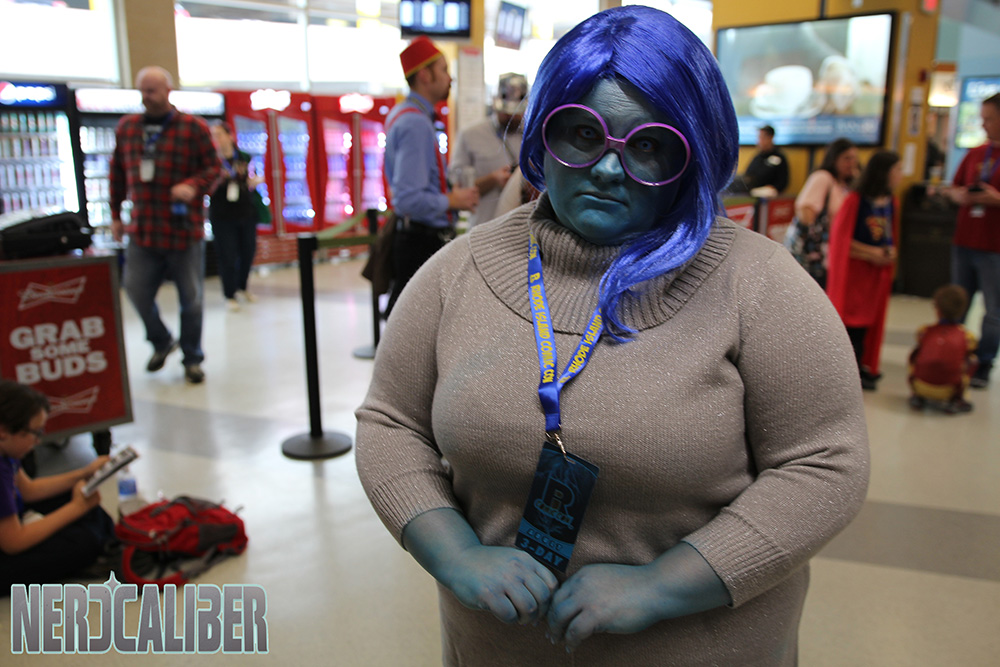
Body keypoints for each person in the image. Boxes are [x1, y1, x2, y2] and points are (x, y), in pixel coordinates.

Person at [356, 7, 869, 665]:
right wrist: (452, 552)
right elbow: (390, 423)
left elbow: (825, 463)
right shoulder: (459, 273)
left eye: (649, 145)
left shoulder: (762, 287)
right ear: (543, 135)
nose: (606, 168)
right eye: (582, 133)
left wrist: (665, 584)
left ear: (694, 154)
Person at [109, 65, 222, 384]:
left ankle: (192, 357)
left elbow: (214, 168)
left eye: (152, 91)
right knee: (135, 289)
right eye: (142, 91)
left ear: (168, 91)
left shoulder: (193, 127)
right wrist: (115, 215)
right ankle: (161, 340)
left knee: (192, 299)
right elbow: (117, 173)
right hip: (143, 228)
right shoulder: (127, 128)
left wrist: (193, 186)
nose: (146, 97)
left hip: (183, 229)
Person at [383, 37, 479, 316]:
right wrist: (451, 200)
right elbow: (408, 198)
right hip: (420, 242)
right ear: (425, 75)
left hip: (413, 238)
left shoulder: (404, 114)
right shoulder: (415, 123)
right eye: (444, 70)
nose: (450, 78)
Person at [0, 379, 116, 590]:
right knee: (84, 541)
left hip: (11, 528)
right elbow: (13, 542)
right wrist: (77, 507)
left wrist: (84, 473)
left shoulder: (7, 451)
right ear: (4, 431)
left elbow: (29, 490)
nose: (38, 441)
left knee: (85, 507)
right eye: (35, 433)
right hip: (6, 550)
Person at [826, 150, 901, 391]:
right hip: (855, 276)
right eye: (897, 170)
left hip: (875, 277)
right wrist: (872, 253)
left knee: (869, 325)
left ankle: (862, 367)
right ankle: (848, 372)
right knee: (852, 326)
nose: (901, 175)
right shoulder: (855, 201)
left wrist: (889, 254)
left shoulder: (891, 203)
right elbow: (841, 241)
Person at [946, 92, 1000, 388]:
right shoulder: (976, 154)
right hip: (964, 242)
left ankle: (984, 363)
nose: (983, 125)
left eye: (989, 119)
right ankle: (951, 357)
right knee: (957, 304)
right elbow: (953, 188)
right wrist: (962, 196)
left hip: (995, 248)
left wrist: (996, 200)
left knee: (994, 311)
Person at [450, 73, 528, 227]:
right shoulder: (470, 135)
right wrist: (493, 179)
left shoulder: (534, 135)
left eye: (516, 113)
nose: (511, 117)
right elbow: (458, 189)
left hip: (524, 229)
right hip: (483, 227)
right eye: (506, 112)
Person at [791, 137, 860, 288]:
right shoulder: (823, 177)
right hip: (817, 254)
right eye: (847, 159)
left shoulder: (846, 185)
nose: (852, 163)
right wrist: (814, 243)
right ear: (834, 159)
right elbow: (805, 209)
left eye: (854, 159)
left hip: (833, 252)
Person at [208, 121, 262, 312]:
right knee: (227, 255)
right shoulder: (210, 160)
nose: (216, 138)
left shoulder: (244, 157)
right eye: (213, 135)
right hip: (222, 214)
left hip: (246, 211)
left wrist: (254, 181)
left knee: (248, 251)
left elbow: (255, 175)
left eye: (219, 134)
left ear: (229, 136)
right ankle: (229, 294)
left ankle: (242, 287)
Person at [908, 285, 978, 414]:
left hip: (920, 384)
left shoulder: (924, 331)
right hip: (948, 389)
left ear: (937, 310)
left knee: (916, 353)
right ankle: (956, 399)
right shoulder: (967, 337)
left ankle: (917, 396)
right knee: (972, 360)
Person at [742, 125, 789, 195]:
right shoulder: (758, 157)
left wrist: (773, 188)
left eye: (762, 138)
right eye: (759, 138)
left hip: (768, 195)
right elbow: (747, 174)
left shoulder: (779, 157)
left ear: (770, 138)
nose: (759, 141)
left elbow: (783, 182)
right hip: (751, 192)